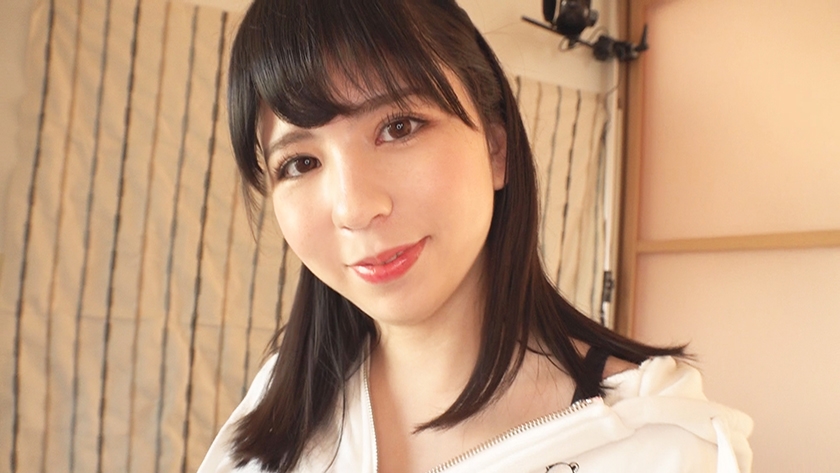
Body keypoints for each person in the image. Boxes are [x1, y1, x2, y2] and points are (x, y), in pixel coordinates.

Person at [199, 0, 753, 471]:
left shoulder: (654, 440)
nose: (355, 208)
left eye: (398, 127)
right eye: (299, 163)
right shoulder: (276, 408)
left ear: (496, 148)